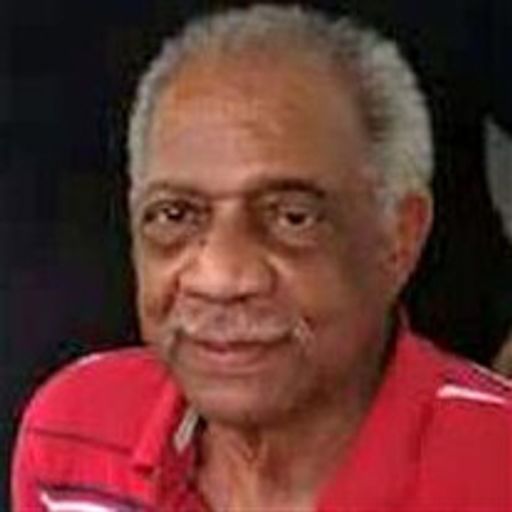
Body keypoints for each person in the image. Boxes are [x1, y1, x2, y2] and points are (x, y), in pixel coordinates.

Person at [11, 5, 510, 511]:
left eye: (293, 217)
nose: (221, 277)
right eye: (174, 214)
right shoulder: (70, 441)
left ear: (398, 238)